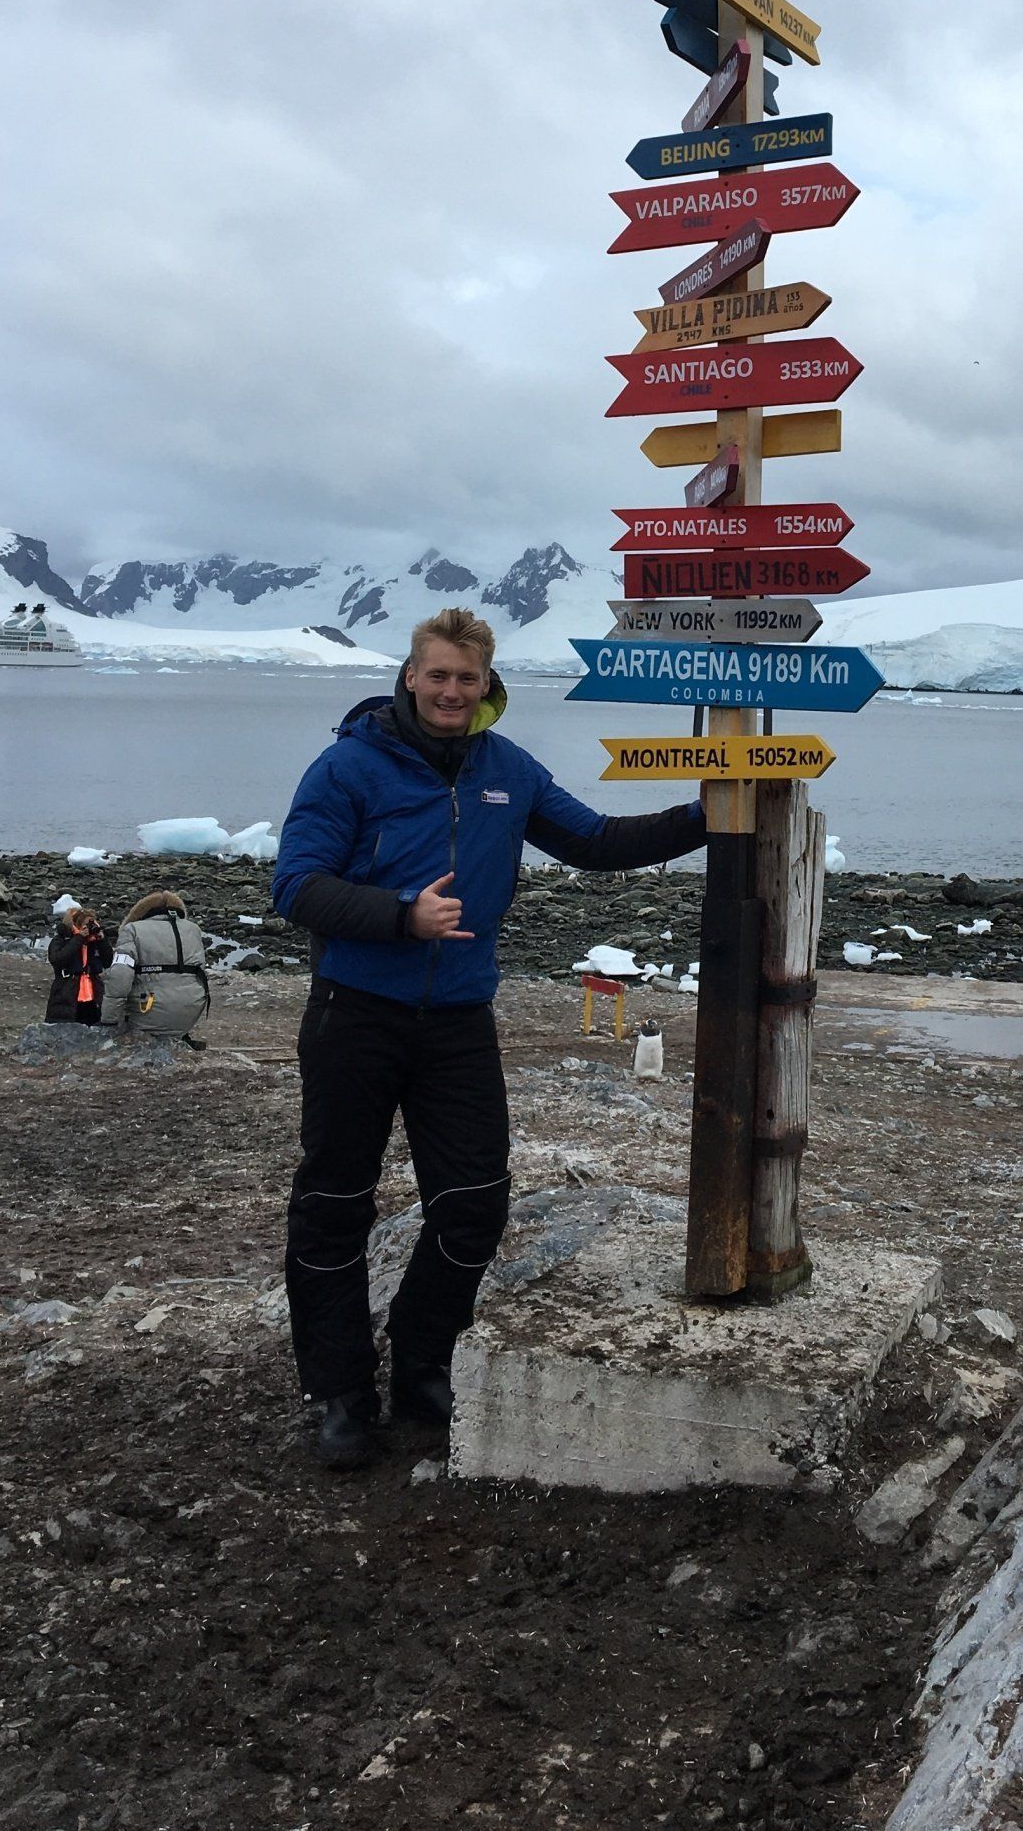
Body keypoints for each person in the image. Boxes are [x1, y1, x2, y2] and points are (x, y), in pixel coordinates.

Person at [272, 604, 705, 1470]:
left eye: (466, 678)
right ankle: (342, 1392)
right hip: (354, 1013)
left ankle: (423, 1361)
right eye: (437, 675)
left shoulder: (507, 769)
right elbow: (297, 885)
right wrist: (402, 915)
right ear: (410, 677)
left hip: (458, 1020)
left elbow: (597, 841)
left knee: (474, 1203)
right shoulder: (348, 766)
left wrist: (713, 810)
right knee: (334, 1204)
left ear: (486, 684)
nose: (451, 691)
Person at [106, 888, 212, 1045]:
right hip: (191, 1008)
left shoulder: (132, 930)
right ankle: (178, 1038)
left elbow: (120, 974)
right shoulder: (194, 929)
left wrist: (109, 1021)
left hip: (148, 1009)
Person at [44, 906, 113, 1025]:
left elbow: (108, 961)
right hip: (67, 994)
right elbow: (57, 960)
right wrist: (78, 938)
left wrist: (102, 941)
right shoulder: (62, 939)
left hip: (93, 997)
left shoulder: (94, 942)